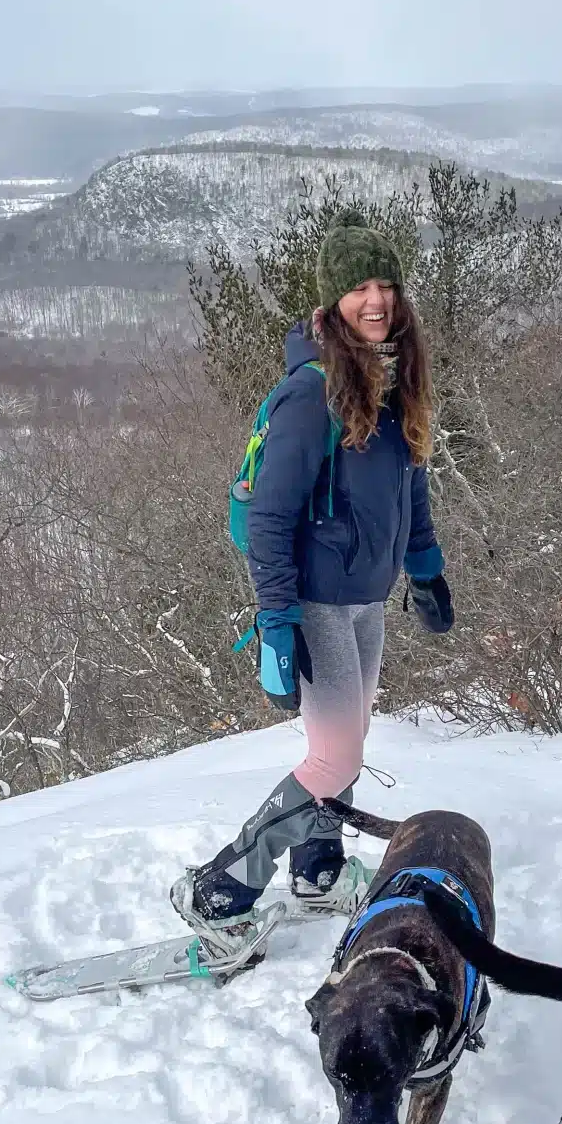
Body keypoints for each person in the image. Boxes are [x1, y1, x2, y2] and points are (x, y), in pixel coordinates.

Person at [171, 211, 454, 945]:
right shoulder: (311, 394)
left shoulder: (391, 386)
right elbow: (268, 518)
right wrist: (278, 620)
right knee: (336, 754)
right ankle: (221, 887)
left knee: (347, 739)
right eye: (359, 287)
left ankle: (317, 869)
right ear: (331, 303)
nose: (377, 299)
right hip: (318, 603)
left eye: (386, 283)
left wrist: (425, 571)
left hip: (366, 601)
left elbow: (409, 491)